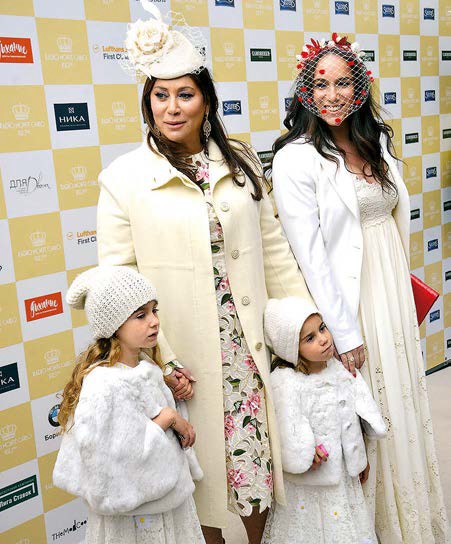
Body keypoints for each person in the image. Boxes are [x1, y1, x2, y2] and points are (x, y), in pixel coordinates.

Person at [96, 3, 311, 543]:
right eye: (160, 95)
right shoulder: (123, 178)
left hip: (247, 343)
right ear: (147, 102)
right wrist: (164, 358)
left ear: (207, 101)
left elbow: (274, 250)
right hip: (180, 352)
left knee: (255, 466)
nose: (172, 108)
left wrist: (303, 325)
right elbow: (119, 283)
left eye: (185, 94)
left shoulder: (239, 159)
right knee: (198, 479)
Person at [270, 33, 449, 543]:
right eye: (320, 84)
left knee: (402, 400)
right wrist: (343, 332)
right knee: (365, 412)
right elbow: (310, 254)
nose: (332, 95)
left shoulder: (377, 144)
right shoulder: (295, 158)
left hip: (389, 288)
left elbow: (390, 221)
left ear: (361, 87)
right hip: (350, 300)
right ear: (305, 92)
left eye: (343, 83)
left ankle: (410, 522)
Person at [53, 265, 205, 543]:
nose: (154, 321)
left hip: (164, 502)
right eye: (140, 315)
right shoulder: (104, 384)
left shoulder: (146, 367)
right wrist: (168, 418)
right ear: (113, 325)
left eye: (154, 310)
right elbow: (116, 460)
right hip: (136, 517)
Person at [261, 297, 386, 544]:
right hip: (309, 480)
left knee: (346, 524)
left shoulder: (339, 370)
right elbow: (287, 425)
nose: (324, 339)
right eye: (310, 338)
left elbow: (353, 417)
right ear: (291, 348)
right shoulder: (286, 381)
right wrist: (304, 452)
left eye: (322, 328)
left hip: (343, 476)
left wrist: (359, 459)